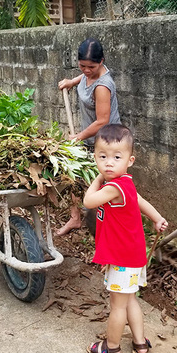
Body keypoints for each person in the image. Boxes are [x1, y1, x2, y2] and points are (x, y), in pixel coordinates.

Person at [82, 124, 168, 353]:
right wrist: (158, 218)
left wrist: (98, 177)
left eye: (116, 157)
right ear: (95, 156)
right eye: (103, 157)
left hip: (122, 259)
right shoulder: (126, 183)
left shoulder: (112, 187)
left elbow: (88, 201)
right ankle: (140, 344)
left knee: (117, 305)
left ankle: (112, 348)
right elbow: (141, 201)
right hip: (132, 256)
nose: (109, 163)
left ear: (130, 160)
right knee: (130, 299)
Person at [56, 38, 121, 235]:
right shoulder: (88, 74)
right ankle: (75, 219)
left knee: (105, 185)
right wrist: (71, 81)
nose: (86, 70)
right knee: (72, 178)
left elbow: (102, 121)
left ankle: (110, 229)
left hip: (106, 142)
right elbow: (84, 78)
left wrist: (78, 137)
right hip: (88, 139)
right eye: (81, 66)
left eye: (90, 66)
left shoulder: (103, 86)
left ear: (101, 61)